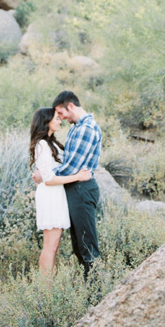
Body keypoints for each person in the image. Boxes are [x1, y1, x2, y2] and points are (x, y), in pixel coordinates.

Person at [34, 90, 103, 277]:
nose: (61, 118)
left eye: (61, 113)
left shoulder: (86, 129)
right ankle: (89, 287)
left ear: (70, 106)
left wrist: (46, 175)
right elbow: (65, 161)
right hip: (73, 189)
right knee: (79, 245)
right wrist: (45, 172)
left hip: (82, 189)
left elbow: (72, 167)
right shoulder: (75, 128)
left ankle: (96, 289)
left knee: (87, 245)